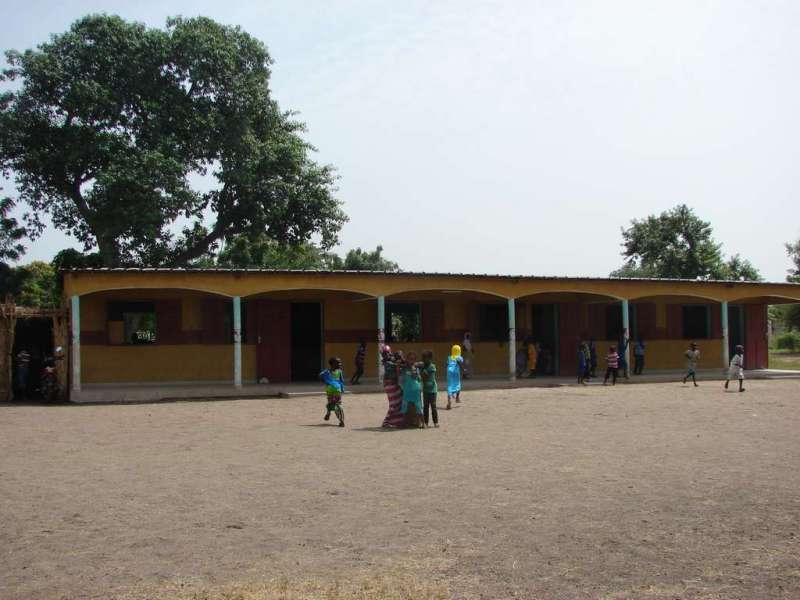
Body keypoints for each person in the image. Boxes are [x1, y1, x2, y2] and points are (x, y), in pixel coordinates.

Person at [381, 346, 404, 428]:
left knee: (400, 401)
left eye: (388, 352)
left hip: (394, 385)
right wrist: (400, 362)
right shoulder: (388, 363)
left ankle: (396, 421)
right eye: (385, 353)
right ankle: (386, 421)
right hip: (390, 386)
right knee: (394, 405)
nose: (387, 354)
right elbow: (396, 366)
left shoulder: (391, 361)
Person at [400, 352, 424, 428]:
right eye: (410, 359)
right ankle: (405, 422)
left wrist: (420, 387)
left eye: (413, 359)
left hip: (415, 390)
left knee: (418, 406)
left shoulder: (417, 369)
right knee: (404, 406)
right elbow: (401, 379)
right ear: (407, 360)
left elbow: (419, 379)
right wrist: (402, 386)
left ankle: (420, 422)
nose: (412, 361)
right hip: (407, 390)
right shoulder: (404, 368)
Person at [320, 357, 345, 427]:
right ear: (332, 364)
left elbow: (341, 380)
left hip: (337, 390)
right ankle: (328, 412)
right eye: (338, 363)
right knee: (330, 403)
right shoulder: (327, 371)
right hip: (329, 391)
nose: (340, 364)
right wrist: (323, 376)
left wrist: (342, 388)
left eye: (340, 362)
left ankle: (341, 420)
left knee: (337, 404)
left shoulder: (339, 371)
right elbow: (320, 376)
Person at [420, 350, 439, 427]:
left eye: (426, 358)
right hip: (425, 390)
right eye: (423, 358)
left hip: (433, 390)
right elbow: (421, 376)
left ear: (430, 358)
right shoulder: (422, 367)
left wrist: (422, 368)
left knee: (433, 406)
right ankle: (426, 422)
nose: (424, 360)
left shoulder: (432, 366)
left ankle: (435, 422)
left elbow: (426, 375)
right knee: (426, 407)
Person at [446, 344, 464, 410]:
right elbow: (460, 363)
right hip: (456, 372)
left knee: (450, 385)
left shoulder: (449, 357)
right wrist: (463, 370)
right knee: (457, 384)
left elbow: (447, 364)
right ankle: (457, 398)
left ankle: (449, 400)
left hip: (449, 371)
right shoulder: (459, 357)